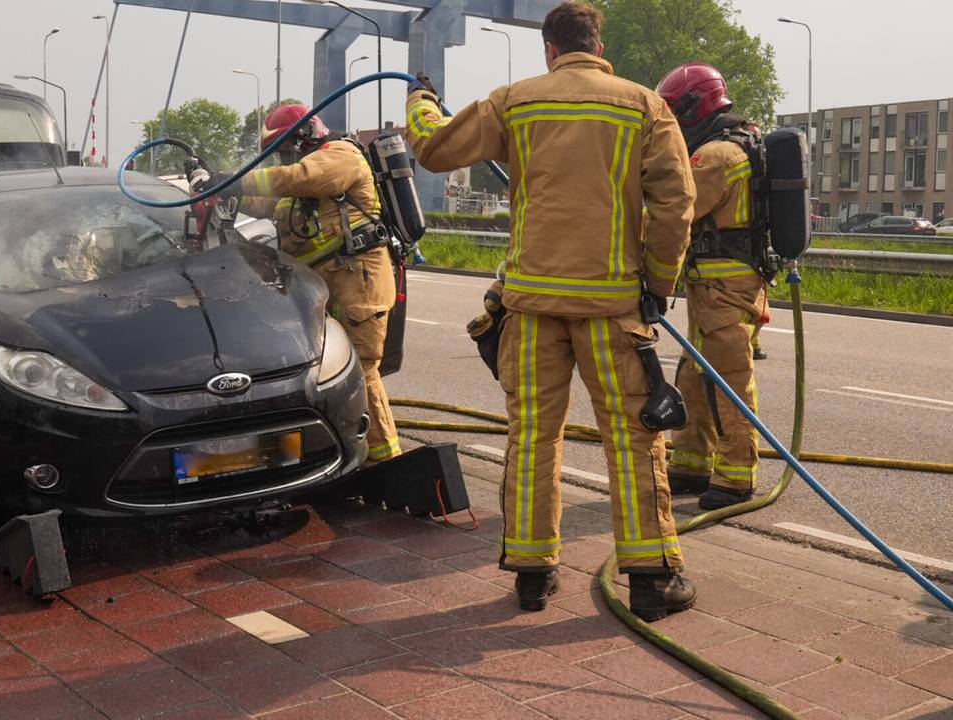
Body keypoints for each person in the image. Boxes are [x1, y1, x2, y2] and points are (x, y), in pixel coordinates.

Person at [404, 1, 698, 621]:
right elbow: (675, 203)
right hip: (612, 306)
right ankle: (650, 579)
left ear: (549, 49)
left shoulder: (516, 100)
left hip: (532, 308)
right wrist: (659, 282)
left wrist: (420, 101)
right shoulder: (645, 105)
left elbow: (431, 149)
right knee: (633, 440)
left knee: (534, 435)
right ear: (598, 42)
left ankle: (533, 574)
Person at [191, 104, 402, 464]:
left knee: (360, 371)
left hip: (357, 282)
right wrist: (218, 187)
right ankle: (339, 455)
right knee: (324, 376)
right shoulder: (296, 183)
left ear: (303, 137)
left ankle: (386, 463)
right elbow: (265, 201)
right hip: (317, 291)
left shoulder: (341, 156)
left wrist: (233, 178)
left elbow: (301, 176)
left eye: (284, 150)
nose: (281, 160)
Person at [655, 63, 767, 511]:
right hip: (717, 285)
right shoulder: (736, 143)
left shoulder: (715, 156)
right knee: (695, 376)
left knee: (727, 381)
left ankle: (737, 476)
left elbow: (675, 211)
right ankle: (691, 463)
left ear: (691, 105)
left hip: (724, 286)